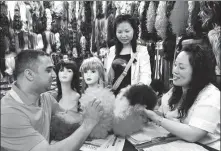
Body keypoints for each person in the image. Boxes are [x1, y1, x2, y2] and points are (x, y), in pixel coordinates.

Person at [1, 50, 103, 151]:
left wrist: (96, 114)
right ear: (29, 74)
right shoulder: (8, 113)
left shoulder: (45, 98)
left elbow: (67, 116)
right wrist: (88, 123)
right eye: (48, 70)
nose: (54, 75)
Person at [142, 43, 220, 150]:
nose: (175, 71)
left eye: (181, 67)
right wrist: (148, 112)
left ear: (197, 71)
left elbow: (194, 134)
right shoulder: (177, 88)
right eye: (175, 65)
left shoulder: (211, 96)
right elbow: (165, 114)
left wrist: (157, 119)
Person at [105, 14, 152, 95]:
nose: (123, 35)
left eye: (127, 31)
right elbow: (107, 75)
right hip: (113, 98)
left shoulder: (141, 51)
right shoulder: (112, 50)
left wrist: (138, 91)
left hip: (132, 98)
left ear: (134, 30)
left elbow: (146, 75)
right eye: (119, 32)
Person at [79, 57, 115, 139]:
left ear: (100, 74)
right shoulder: (83, 94)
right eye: (85, 72)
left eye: (93, 71)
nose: (88, 74)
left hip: (100, 135)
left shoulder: (105, 96)